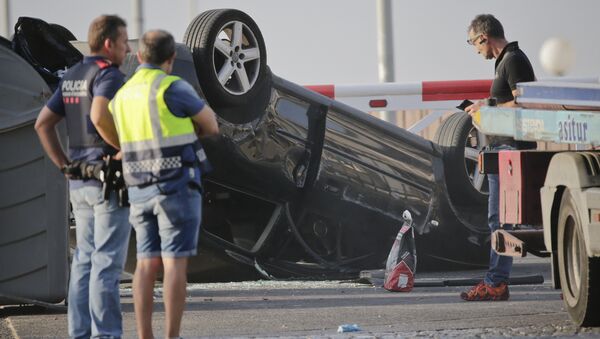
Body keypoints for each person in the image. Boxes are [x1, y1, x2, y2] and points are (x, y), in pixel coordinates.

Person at [101, 30, 219, 339]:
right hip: (176, 184)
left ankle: (144, 336)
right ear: (170, 60)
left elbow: (111, 128)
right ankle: (171, 336)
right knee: (174, 263)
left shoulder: (122, 95)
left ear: (138, 57)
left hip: (138, 187)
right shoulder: (172, 86)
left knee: (145, 263)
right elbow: (211, 124)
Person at [34, 15, 132, 338]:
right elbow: (99, 113)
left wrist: (63, 164)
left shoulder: (73, 74)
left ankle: (80, 333)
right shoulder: (109, 76)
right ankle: (106, 334)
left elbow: (43, 124)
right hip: (108, 183)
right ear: (108, 44)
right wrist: (124, 147)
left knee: (84, 263)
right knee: (106, 264)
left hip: (79, 181)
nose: (126, 47)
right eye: (123, 42)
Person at [461, 14, 536, 301]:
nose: (475, 49)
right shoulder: (504, 61)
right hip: (500, 149)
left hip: (509, 149)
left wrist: (488, 109)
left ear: (483, 37)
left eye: (473, 43)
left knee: (500, 219)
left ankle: (496, 282)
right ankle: (496, 280)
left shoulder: (514, 59)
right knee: (498, 219)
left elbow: (526, 101)